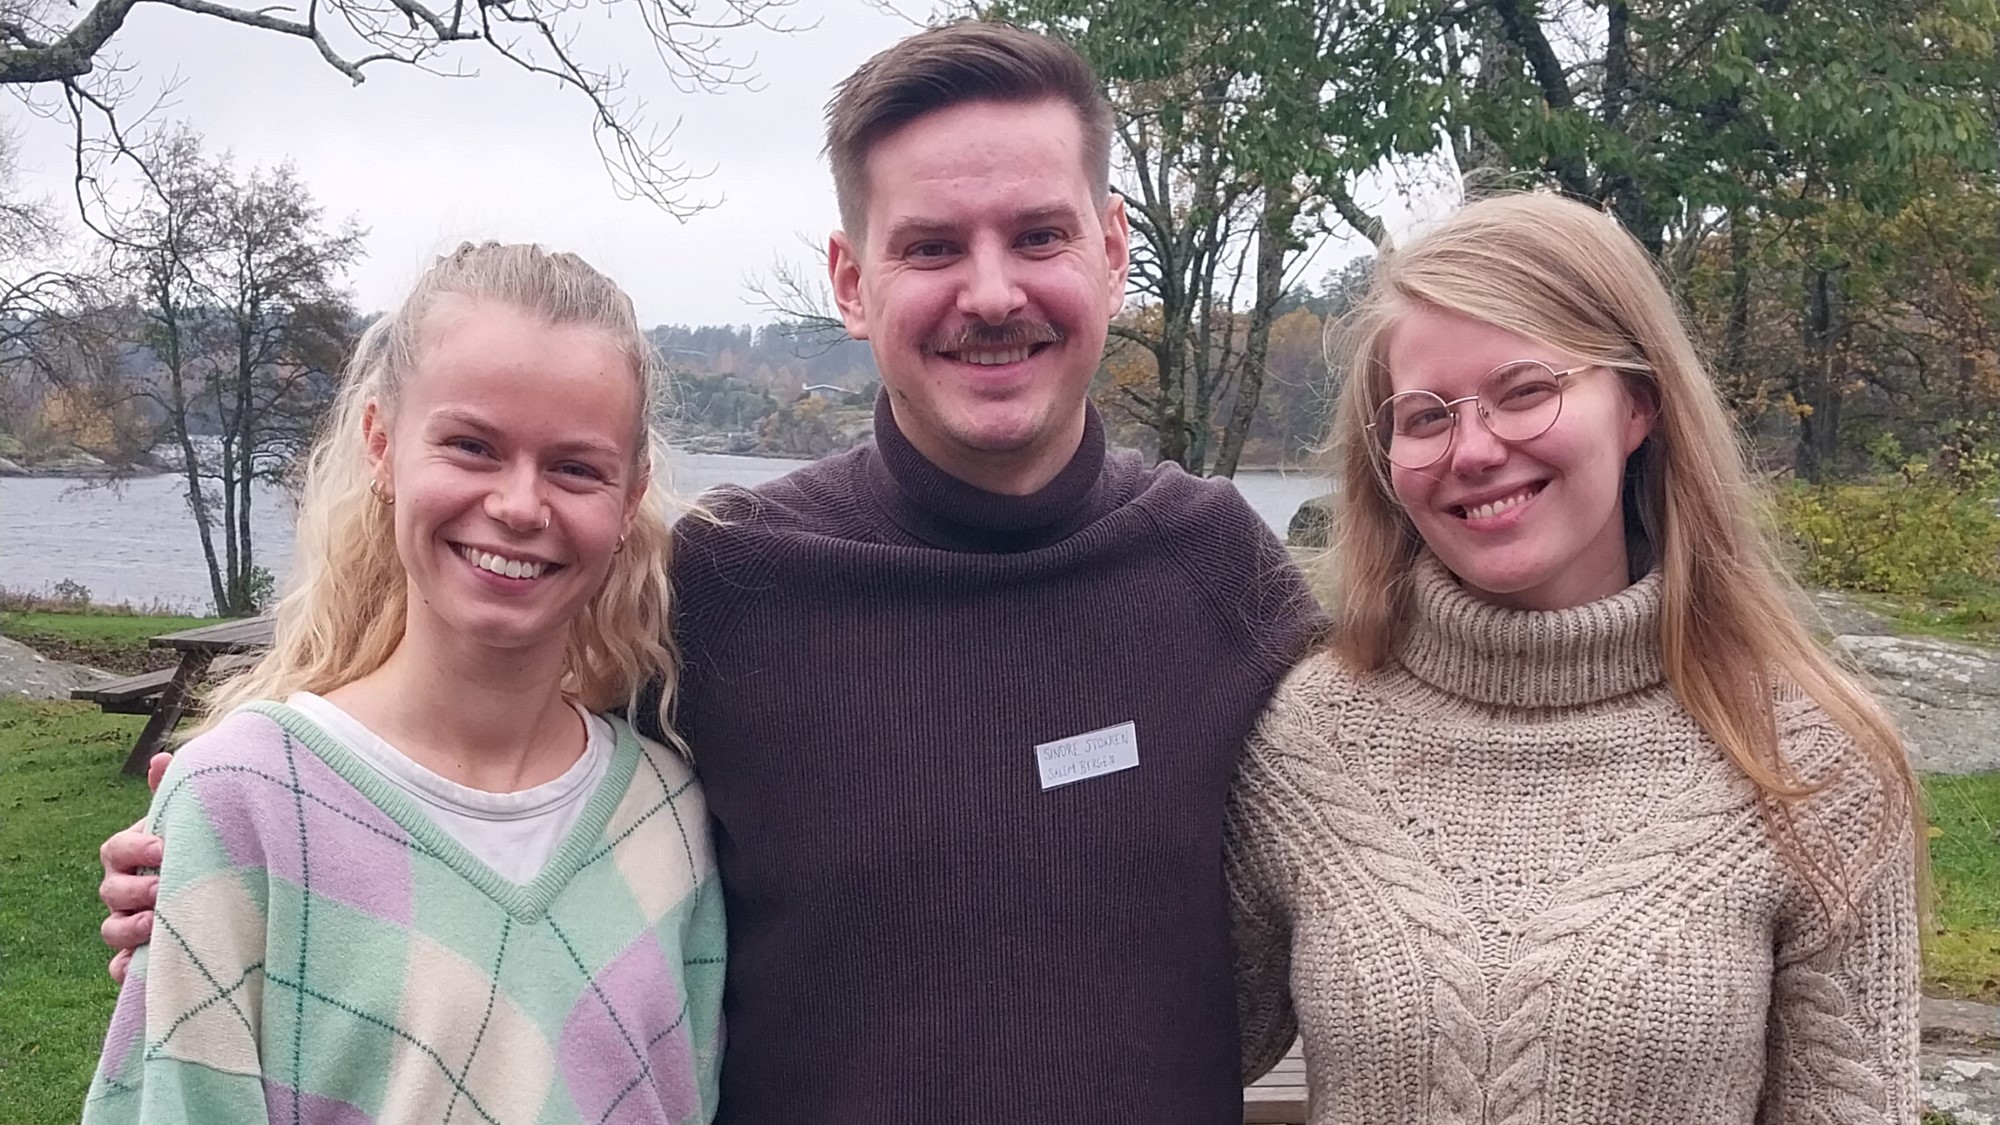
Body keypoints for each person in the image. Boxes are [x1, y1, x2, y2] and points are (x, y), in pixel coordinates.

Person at [99, 22, 1320, 1123]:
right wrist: (228, 863)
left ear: (1111, 248)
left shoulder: (1214, 571)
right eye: (932, 245)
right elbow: (477, 751)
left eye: (1038, 234)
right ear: (850, 281)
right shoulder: (729, 593)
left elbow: (1409, 774)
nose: (991, 292)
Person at [1226, 193, 1923, 1122]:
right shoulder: (1306, 735)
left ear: (1638, 404)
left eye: (1525, 390)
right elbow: (1150, 1036)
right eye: (1426, 416)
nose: (1473, 449)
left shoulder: (1813, 759)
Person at [84, 243, 725, 1124]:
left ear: (631, 495)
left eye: (576, 466)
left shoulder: (669, 817)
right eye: (471, 446)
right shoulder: (246, 802)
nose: (519, 504)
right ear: (382, 444)